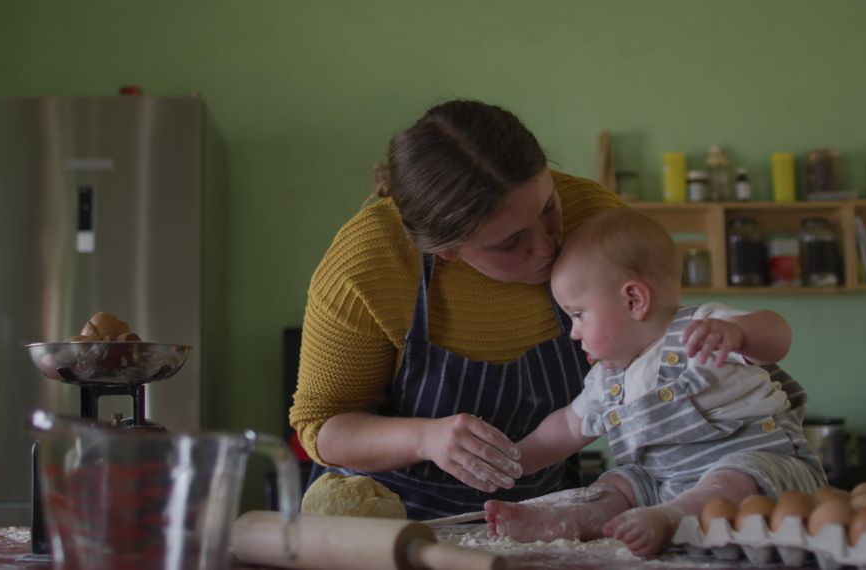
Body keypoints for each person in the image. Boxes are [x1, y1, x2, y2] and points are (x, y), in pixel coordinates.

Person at [288, 99, 625, 519]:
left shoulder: (597, 220)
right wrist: (424, 438)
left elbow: (655, 350)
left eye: (548, 207)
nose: (547, 245)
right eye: (509, 242)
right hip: (389, 520)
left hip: (542, 513)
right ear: (445, 249)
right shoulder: (371, 262)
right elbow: (321, 426)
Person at [484, 208, 827, 556]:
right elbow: (568, 427)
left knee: (734, 476)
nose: (574, 333)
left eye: (578, 315)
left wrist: (738, 333)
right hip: (665, 488)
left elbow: (778, 336)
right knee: (620, 484)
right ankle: (574, 520)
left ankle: (671, 518)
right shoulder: (607, 379)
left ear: (634, 299)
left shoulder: (702, 331)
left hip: (767, 471)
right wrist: (514, 460)